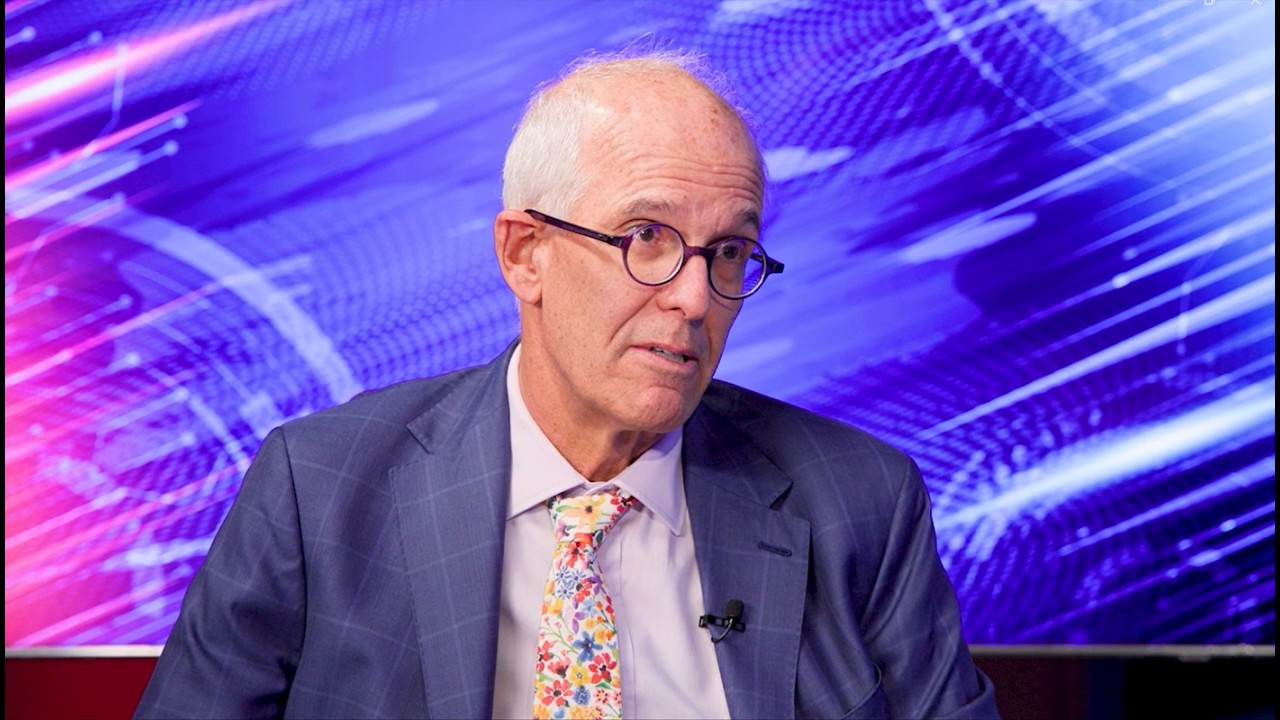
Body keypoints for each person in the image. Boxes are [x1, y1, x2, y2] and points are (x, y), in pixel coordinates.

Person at [135, 50, 998, 720]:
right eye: (647, 237)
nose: (695, 298)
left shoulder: (859, 502)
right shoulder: (320, 489)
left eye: (730, 252)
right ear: (525, 254)